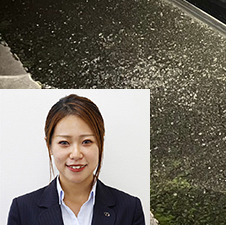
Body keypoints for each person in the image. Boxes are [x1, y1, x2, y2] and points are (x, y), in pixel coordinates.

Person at [6, 94, 145, 225]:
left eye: (86, 142)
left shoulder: (130, 209)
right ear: (49, 146)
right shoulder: (22, 210)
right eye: (64, 143)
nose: (76, 154)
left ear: (100, 143)